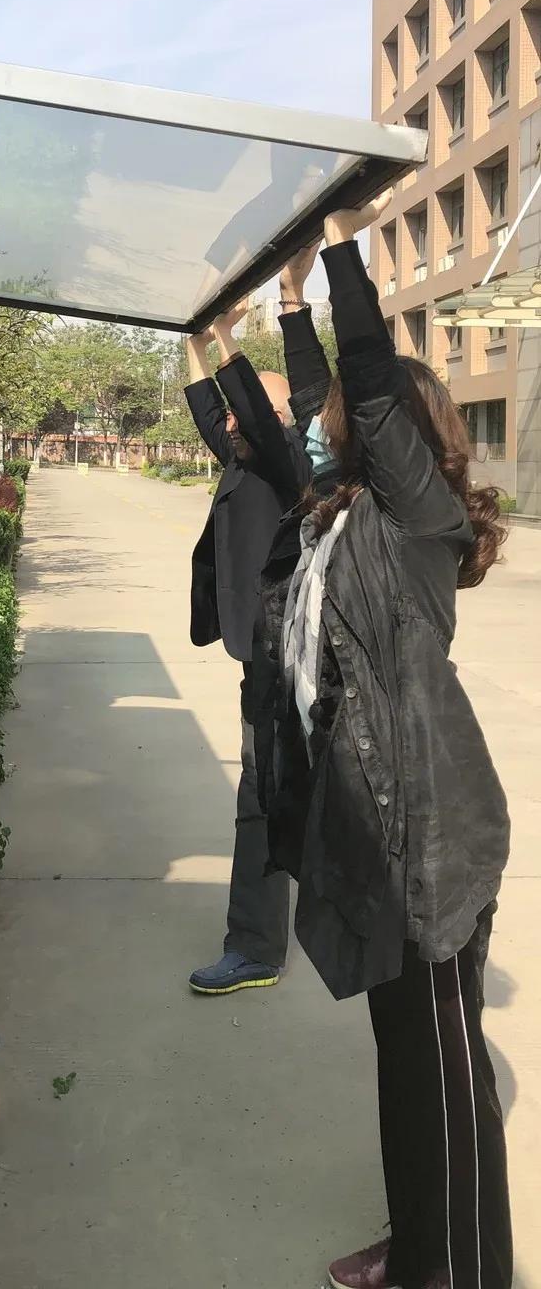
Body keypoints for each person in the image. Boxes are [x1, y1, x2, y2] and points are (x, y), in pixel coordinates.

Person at [256, 194, 512, 1289]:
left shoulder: (416, 523)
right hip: (378, 832)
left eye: (347, 421)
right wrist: (284, 311)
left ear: (394, 433)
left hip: (434, 837)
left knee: (447, 1081)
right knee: (406, 1068)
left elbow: (363, 379)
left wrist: (343, 256)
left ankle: (464, 1272)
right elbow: (312, 402)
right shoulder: (347, 514)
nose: (322, 428)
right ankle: (417, 1251)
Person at [183, 289, 318, 995]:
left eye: (246, 411)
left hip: (291, 656)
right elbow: (212, 409)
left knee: (265, 792)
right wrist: (198, 341)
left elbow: (252, 416)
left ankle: (257, 946)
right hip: (263, 652)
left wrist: (229, 336)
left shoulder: (284, 458)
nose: (231, 420)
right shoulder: (242, 457)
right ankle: (264, 938)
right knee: (272, 790)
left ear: (280, 418)